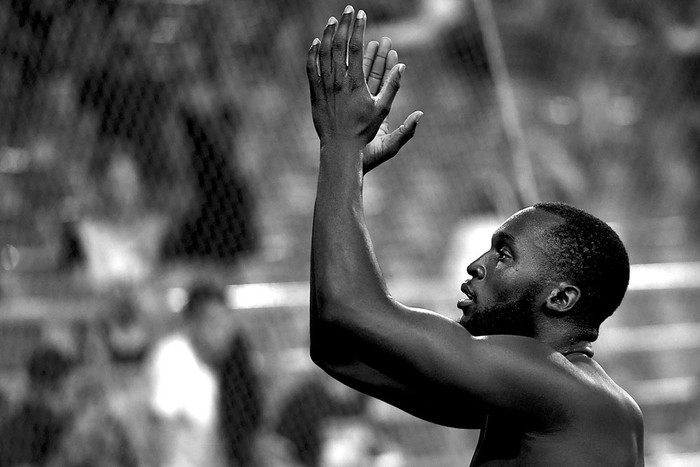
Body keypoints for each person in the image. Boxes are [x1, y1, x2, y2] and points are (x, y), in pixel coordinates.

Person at [306, 6, 644, 466]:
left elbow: (349, 307)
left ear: (561, 298)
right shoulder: (530, 397)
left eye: (503, 255)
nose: (476, 265)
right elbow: (337, 348)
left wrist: (341, 145)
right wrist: (347, 172)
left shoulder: (556, 386)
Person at [146, 280, 262, 467]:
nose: (223, 333)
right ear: (192, 324)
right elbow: (162, 432)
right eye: (214, 324)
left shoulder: (231, 362)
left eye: (226, 324)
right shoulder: (173, 356)